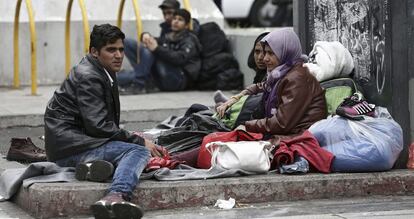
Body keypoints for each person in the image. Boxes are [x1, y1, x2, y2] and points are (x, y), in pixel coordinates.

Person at [44, 24, 162, 219]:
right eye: (111, 49)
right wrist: (137, 141)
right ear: (94, 52)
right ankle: (116, 195)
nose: (118, 55)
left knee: (135, 142)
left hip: (71, 144)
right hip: (71, 148)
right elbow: (98, 126)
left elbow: (99, 124)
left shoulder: (99, 68)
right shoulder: (90, 76)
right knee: (138, 150)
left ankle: (90, 169)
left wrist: (131, 137)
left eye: (121, 49)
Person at [216, 28, 327, 142]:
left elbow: (282, 123)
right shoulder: (283, 73)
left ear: (285, 52)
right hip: (286, 135)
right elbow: (261, 86)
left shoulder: (297, 79)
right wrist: (236, 98)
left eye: (271, 53)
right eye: (265, 53)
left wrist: (248, 125)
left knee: (219, 144)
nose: (265, 58)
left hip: (297, 139)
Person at [117, 8, 201, 93]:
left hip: (178, 79)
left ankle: (139, 84)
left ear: (186, 25)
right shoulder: (168, 36)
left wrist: (157, 49)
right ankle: (142, 79)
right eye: (174, 18)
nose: (176, 21)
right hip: (159, 76)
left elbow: (179, 58)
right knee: (127, 43)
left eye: (180, 20)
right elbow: (155, 41)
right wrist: (146, 35)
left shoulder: (189, 39)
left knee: (150, 50)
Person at [213, 32, 269, 104]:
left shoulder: (277, 76)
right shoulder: (260, 75)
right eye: (257, 52)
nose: (260, 57)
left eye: (265, 52)